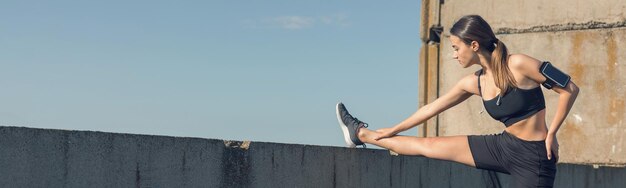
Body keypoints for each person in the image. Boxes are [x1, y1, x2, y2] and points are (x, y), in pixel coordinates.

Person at [336, 15, 579, 188]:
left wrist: (551, 133)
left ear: (474, 45)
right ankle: (360, 133)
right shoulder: (474, 82)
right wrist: (395, 129)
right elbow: (431, 108)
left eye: (456, 48)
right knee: (427, 145)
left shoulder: (517, 64)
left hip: (534, 156)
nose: (453, 55)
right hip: (503, 147)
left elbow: (569, 89)